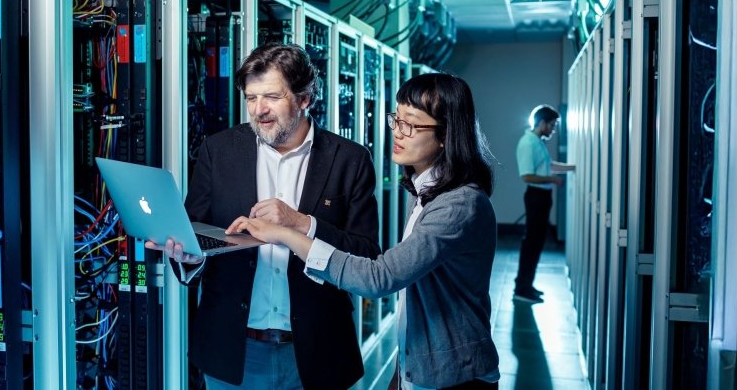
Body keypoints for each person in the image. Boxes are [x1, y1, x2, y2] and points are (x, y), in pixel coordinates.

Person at [228, 73, 501, 389]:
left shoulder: (458, 205)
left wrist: (287, 234)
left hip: (455, 375)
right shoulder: (425, 193)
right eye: (396, 120)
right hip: (420, 366)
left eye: (410, 125)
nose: (397, 133)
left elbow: (379, 277)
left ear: (445, 135)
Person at [149, 42, 381, 390]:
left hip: (317, 353)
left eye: (272, 96)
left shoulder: (349, 159)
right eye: (251, 98)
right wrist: (187, 257)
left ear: (304, 99)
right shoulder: (219, 150)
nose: (259, 110)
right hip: (234, 350)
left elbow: (365, 254)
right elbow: (194, 229)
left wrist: (302, 224)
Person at [513, 105, 575, 304]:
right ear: (542, 123)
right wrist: (553, 180)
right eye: (552, 125)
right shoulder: (528, 143)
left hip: (542, 197)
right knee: (531, 243)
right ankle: (521, 288)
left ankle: (527, 285)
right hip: (536, 196)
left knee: (536, 243)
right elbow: (527, 176)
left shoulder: (538, 142)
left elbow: (549, 166)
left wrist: (574, 167)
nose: (553, 130)